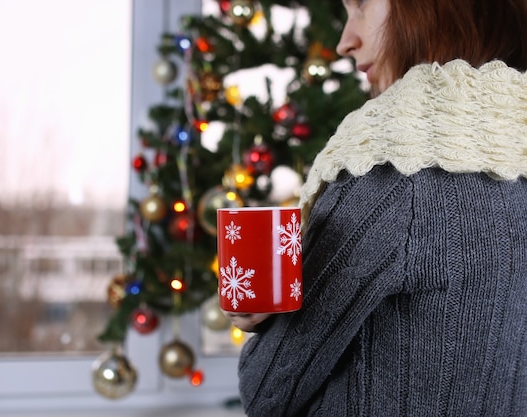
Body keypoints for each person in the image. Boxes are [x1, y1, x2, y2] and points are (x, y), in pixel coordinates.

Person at [225, 0, 527, 415]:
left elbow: (266, 392)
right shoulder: (518, 152)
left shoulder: (389, 171)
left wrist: (263, 324)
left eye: (361, 6)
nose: (346, 41)